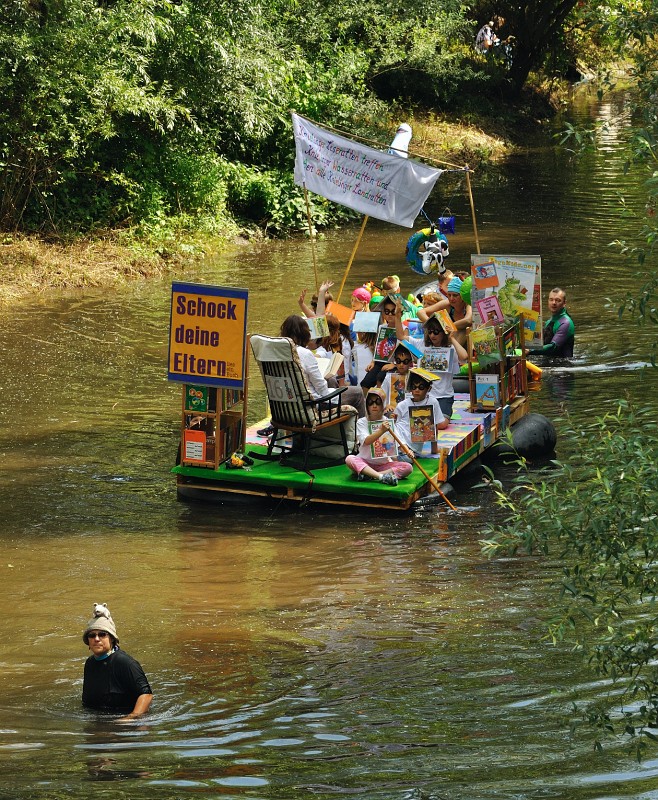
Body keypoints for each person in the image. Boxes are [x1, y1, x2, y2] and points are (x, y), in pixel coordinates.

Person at [280, 315, 366, 417]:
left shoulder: (278, 353)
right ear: (304, 334)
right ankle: (361, 429)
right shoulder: (304, 353)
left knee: (331, 381)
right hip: (311, 404)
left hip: (287, 405)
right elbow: (322, 389)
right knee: (358, 392)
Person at [81, 603, 152, 721]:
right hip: (97, 723)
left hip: (121, 725)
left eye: (102, 634)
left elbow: (146, 695)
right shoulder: (90, 663)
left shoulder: (124, 662)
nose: (97, 639)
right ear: (88, 641)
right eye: (92, 635)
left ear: (112, 639)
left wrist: (130, 718)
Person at [345, 388, 414, 486]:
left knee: (408, 467)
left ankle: (371, 475)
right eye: (370, 402)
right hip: (365, 462)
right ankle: (381, 477)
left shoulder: (388, 422)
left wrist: (408, 451)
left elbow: (400, 441)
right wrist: (381, 430)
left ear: (383, 405)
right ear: (367, 405)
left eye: (378, 402)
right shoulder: (362, 422)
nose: (374, 405)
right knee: (350, 459)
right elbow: (366, 441)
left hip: (383, 464)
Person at [394, 371, 449, 460]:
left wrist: (434, 449)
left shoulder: (433, 402)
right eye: (414, 387)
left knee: (408, 460)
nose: (417, 390)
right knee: (406, 459)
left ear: (429, 389)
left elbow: (434, 426)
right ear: (410, 388)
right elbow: (394, 426)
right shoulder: (402, 405)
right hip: (400, 442)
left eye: (421, 387)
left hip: (414, 447)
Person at [528, 287, 575, 357]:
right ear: (548, 301)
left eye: (558, 300)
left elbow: (553, 347)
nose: (554, 303)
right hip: (548, 362)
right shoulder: (548, 322)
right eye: (551, 300)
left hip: (562, 365)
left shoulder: (566, 323)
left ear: (564, 303)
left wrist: (529, 351)